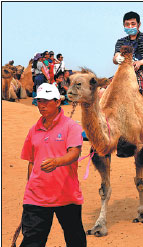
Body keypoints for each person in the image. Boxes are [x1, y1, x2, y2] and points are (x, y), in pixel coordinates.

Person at [20, 83, 86, 247]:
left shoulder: (71, 127)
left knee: (75, 240)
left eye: (46, 100)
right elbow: (31, 162)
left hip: (67, 196)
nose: (41, 105)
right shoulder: (33, 130)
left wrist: (57, 162)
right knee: (31, 242)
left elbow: (74, 153)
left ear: (57, 102)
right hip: (36, 198)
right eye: (39, 101)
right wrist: (31, 188)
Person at [113, 11, 143, 144]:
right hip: (123, 72)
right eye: (127, 24)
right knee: (102, 92)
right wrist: (119, 59)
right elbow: (115, 58)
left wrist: (140, 62)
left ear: (138, 24)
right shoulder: (121, 41)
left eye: (133, 24)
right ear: (123, 25)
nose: (130, 26)